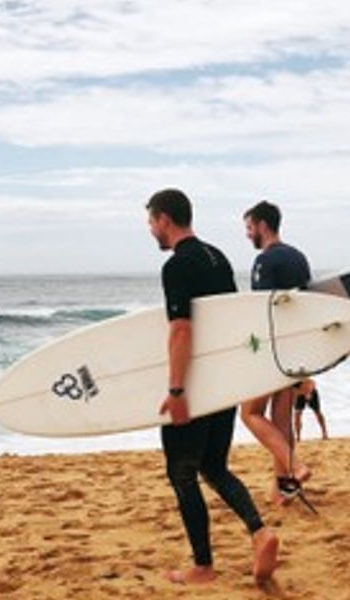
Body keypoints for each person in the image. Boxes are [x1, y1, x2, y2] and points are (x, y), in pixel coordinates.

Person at [146, 188, 279, 586]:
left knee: (182, 473)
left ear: (165, 219)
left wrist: (176, 391)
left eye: (151, 222)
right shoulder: (217, 258)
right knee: (214, 467)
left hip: (196, 387)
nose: (151, 230)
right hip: (223, 383)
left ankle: (203, 567)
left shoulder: (176, 266)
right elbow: (231, 322)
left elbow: (181, 330)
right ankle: (259, 532)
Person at [238, 200, 312, 504]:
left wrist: (251, 349)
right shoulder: (299, 258)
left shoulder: (265, 261)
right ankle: (284, 489)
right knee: (281, 421)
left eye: (249, 227)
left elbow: (262, 310)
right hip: (298, 348)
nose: (247, 234)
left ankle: (296, 466)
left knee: (250, 413)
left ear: (262, 225)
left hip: (274, 350)